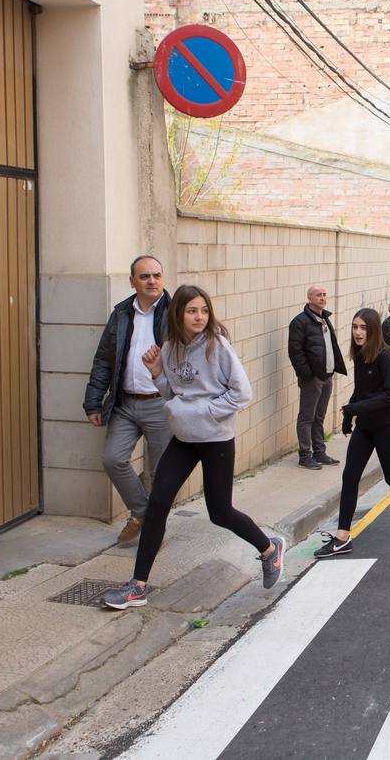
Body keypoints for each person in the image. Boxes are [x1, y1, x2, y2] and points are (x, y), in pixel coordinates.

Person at [102, 285, 283, 609]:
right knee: (157, 503)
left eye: (203, 310)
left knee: (220, 512)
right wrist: (157, 374)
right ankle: (138, 586)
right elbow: (173, 396)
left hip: (215, 439)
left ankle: (269, 548)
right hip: (184, 439)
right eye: (192, 311)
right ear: (179, 315)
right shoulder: (170, 348)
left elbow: (242, 393)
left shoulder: (217, 346)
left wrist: (204, 413)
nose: (199, 316)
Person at [315, 309, 390, 558]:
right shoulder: (361, 354)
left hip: (388, 427)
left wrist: (355, 408)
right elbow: (362, 390)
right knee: (350, 476)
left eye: (363, 328)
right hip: (365, 427)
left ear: (373, 330)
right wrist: (349, 416)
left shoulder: (386, 356)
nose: (358, 332)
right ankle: (343, 537)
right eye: (355, 327)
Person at [83, 255, 172, 544]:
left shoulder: (174, 312)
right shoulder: (121, 314)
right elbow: (103, 360)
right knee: (113, 459)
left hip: (161, 403)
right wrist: (94, 401)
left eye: (156, 275)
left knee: (161, 473)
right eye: (144, 276)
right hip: (125, 402)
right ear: (132, 281)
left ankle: (154, 531)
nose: (152, 281)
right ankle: (143, 512)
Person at [287, 285, 347, 470]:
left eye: (324, 295)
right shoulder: (300, 322)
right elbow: (295, 352)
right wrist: (308, 375)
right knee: (307, 417)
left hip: (327, 376)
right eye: (318, 295)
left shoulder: (324, 319)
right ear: (309, 299)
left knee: (319, 416)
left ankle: (319, 453)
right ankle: (305, 455)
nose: (322, 298)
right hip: (312, 379)